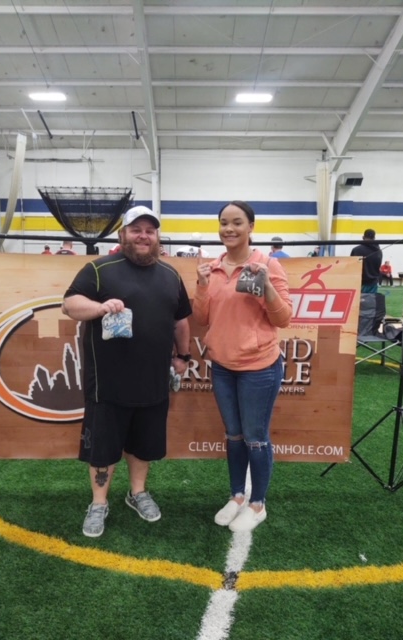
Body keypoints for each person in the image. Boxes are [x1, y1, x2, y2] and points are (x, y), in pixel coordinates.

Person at [62, 205, 191, 537]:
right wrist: (100, 307)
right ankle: (99, 503)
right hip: (107, 383)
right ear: (123, 234)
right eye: (136, 230)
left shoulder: (171, 275)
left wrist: (183, 356)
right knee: (103, 448)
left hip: (153, 381)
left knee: (143, 445)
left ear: (157, 236)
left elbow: (180, 321)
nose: (143, 236)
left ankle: (138, 493)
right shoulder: (99, 269)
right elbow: (69, 304)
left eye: (150, 231)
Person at [193, 201, 292, 532]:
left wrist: (266, 287)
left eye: (237, 222)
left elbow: (283, 318)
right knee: (233, 435)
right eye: (224, 222)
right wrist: (201, 285)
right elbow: (202, 318)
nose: (229, 229)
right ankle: (237, 496)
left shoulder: (268, 265)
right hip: (222, 366)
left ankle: (257, 503)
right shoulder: (212, 268)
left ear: (251, 227)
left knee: (255, 437)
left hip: (259, 367)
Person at [350, 229, 382, 293]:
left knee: (359, 299)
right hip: (372, 283)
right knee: (370, 299)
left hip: (359, 282)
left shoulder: (356, 250)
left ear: (363, 237)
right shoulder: (379, 251)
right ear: (374, 238)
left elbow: (351, 266)